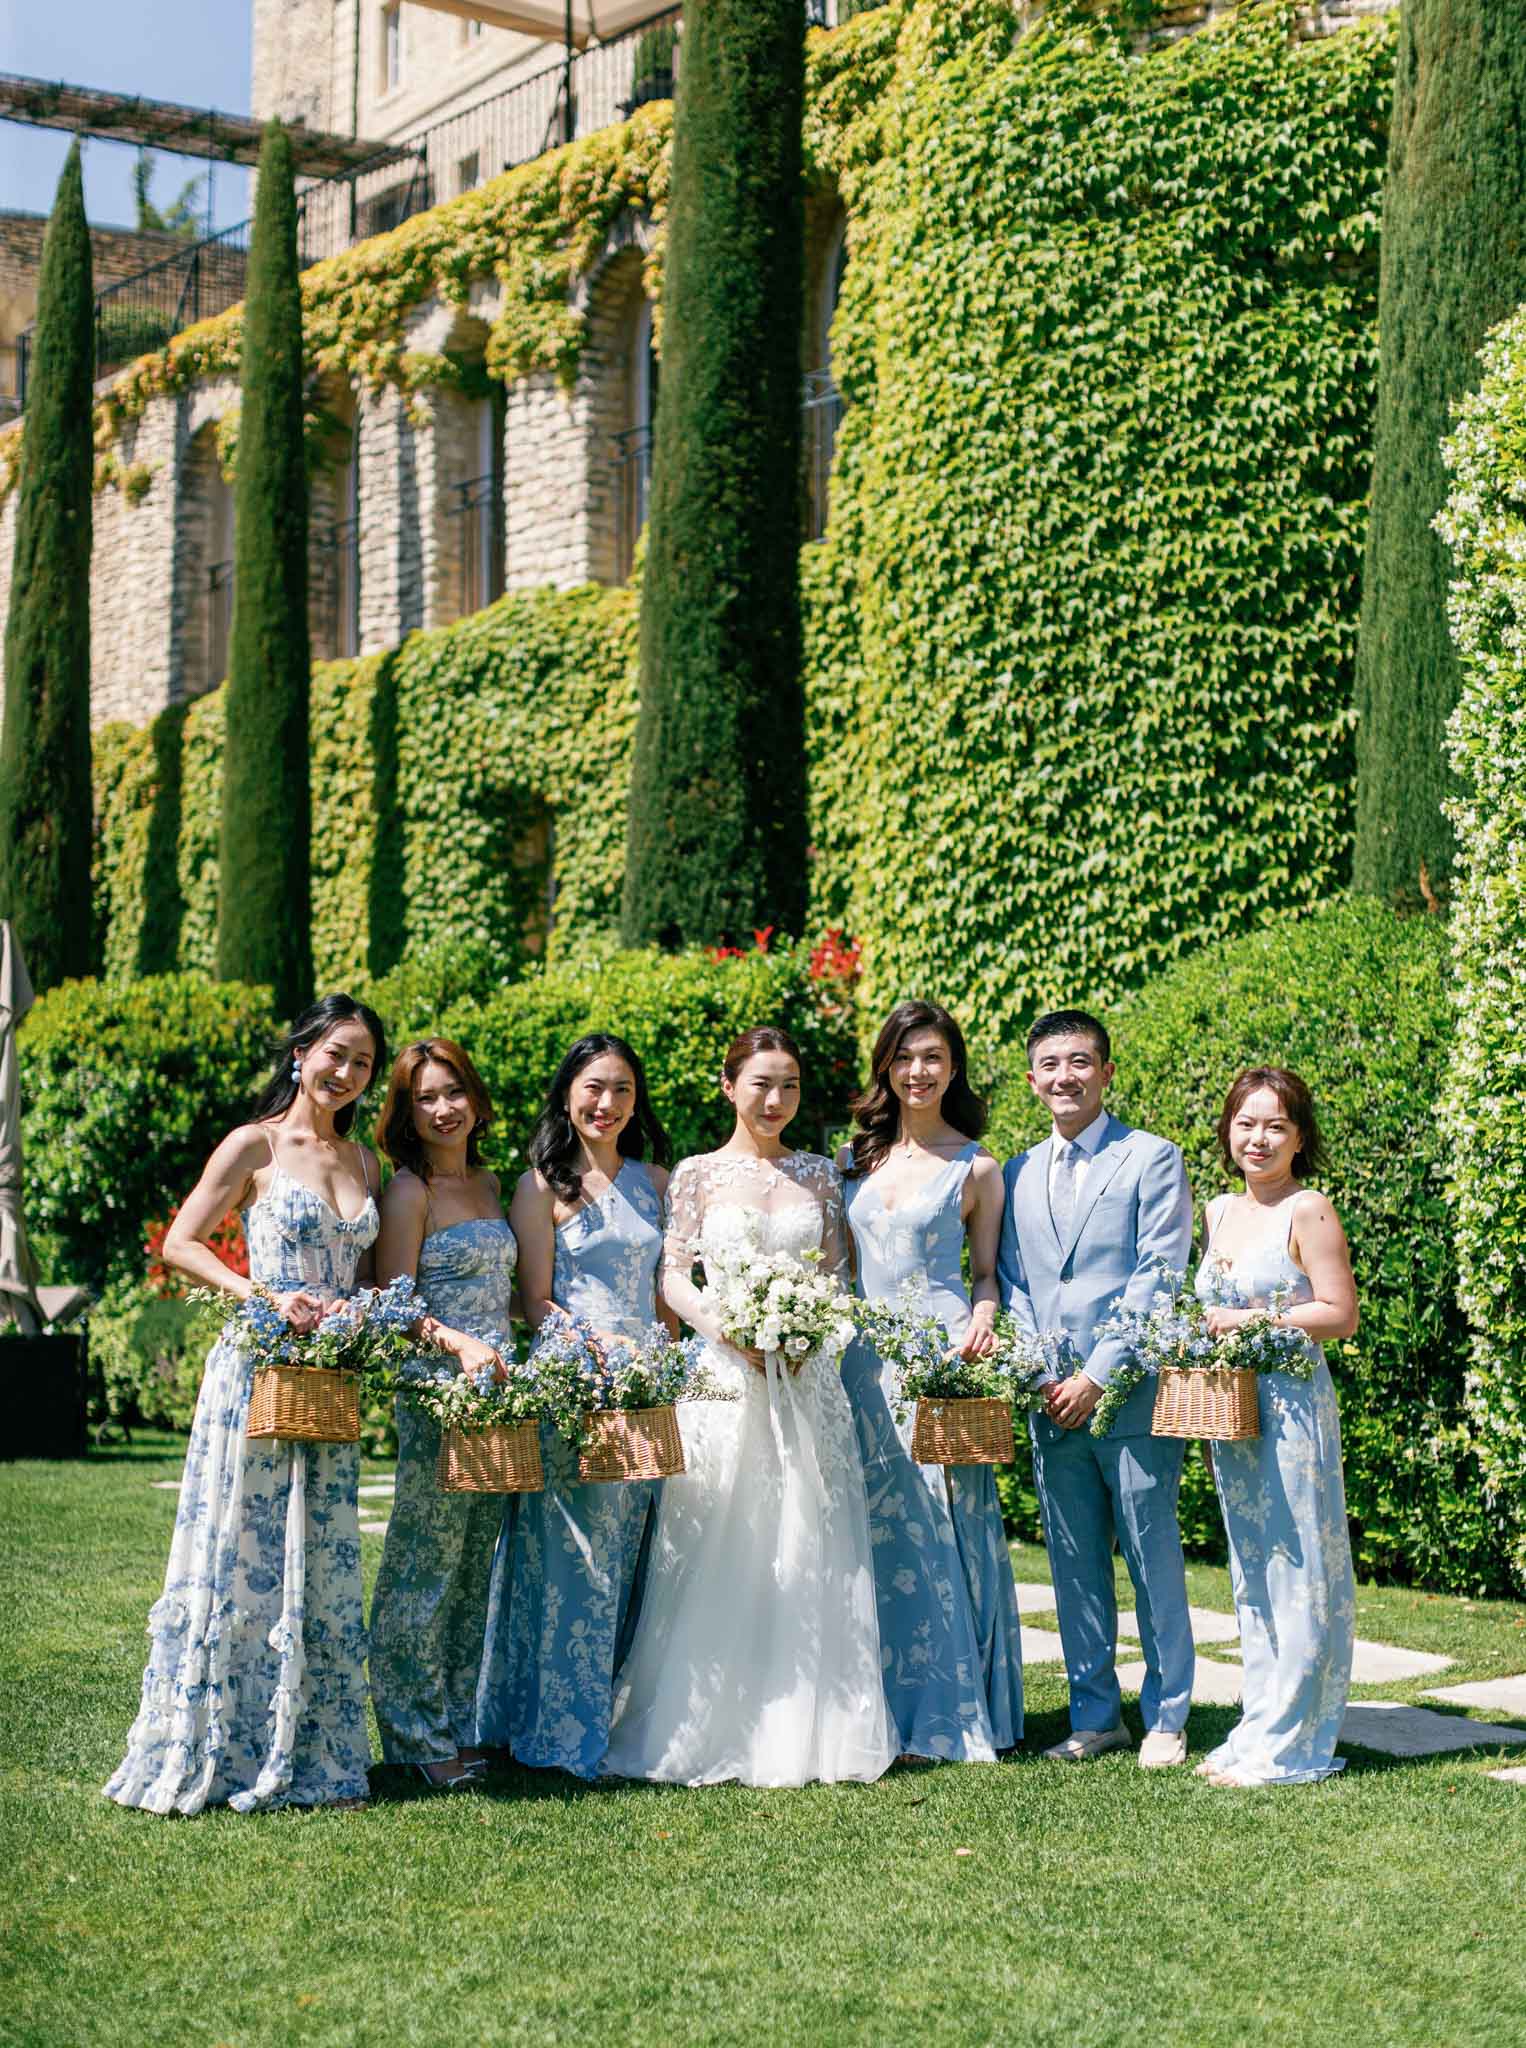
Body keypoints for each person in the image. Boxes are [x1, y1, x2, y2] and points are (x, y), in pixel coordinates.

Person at [104, 994, 387, 1814]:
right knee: (245, 1550)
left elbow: (366, 1280)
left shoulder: (367, 1165)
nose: (346, 1072)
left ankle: (312, 1748)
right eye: (335, 1053)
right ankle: (220, 1744)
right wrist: (257, 1293)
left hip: (328, 1378)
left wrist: (353, 1314)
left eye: (363, 1061)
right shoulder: (254, 1145)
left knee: (321, 1554)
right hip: (257, 1368)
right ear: (301, 1053)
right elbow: (180, 1241)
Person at [605, 1026, 896, 1789]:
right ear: (728, 1085)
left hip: (805, 1377)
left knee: (808, 1536)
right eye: (761, 1083)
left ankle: (810, 1722)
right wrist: (724, 1329)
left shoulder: (818, 1176)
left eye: (791, 1085)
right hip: (721, 1376)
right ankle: (706, 1719)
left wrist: (809, 1332)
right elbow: (672, 1277)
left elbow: (836, 1278)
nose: (776, 1100)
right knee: (716, 1537)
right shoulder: (697, 1174)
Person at [996, 1008, 1195, 1768]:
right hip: (1052, 1399)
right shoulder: (1015, 1172)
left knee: (1152, 1558)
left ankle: (1168, 1715)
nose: (1065, 1077)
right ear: (1031, 1080)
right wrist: (1046, 1371)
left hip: (1130, 1395)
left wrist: (1096, 1374)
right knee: (1074, 1567)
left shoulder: (1152, 1158)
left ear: (1107, 1072)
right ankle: (1095, 1716)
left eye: (1080, 1062)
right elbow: (1011, 1280)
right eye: (1050, 1065)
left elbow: (1158, 1275)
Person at [476, 1034, 670, 1778]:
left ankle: (619, 1717)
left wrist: (662, 1368)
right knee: (571, 1558)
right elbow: (534, 1298)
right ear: (567, 1094)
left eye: (622, 1089)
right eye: (594, 1087)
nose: (607, 1104)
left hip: (645, 1389)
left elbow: (663, 1291)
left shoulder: (654, 1178)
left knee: (636, 1552)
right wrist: (594, 1351)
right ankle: (556, 1726)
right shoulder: (540, 1186)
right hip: (574, 1382)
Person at [840, 999, 1024, 1760]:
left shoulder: (976, 1166)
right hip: (857, 1364)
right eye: (906, 1057)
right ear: (886, 1064)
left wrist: (983, 1320)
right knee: (866, 1528)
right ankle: (871, 1703)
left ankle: (954, 1704)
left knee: (945, 1523)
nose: (919, 1072)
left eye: (934, 1059)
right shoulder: (851, 1160)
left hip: (939, 1361)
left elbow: (985, 1275)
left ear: (953, 1069)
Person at [1194, 1068, 1357, 1787]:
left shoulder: (1309, 1209)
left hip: (1291, 1410)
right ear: (1228, 1130)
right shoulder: (1217, 1209)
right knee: (1252, 1568)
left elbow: (1339, 1314)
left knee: (1300, 1568)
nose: (1257, 1139)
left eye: (1275, 1126)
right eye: (1245, 1124)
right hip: (1230, 1410)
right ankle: (1258, 1719)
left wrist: (1254, 1320)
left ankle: (1295, 1737)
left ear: (1298, 1137)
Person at [368, 1038, 516, 1792]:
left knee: (470, 1571)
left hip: (498, 1401)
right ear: (406, 1111)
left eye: (452, 1091)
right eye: (424, 1097)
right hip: (436, 1395)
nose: (442, 1109)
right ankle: (412, 1734)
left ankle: (454, 1721)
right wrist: (457, 1342)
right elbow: (394, 1304)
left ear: (475, 1097)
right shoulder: (409, 1191)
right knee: (423, 1566)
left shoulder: (492, 1185)